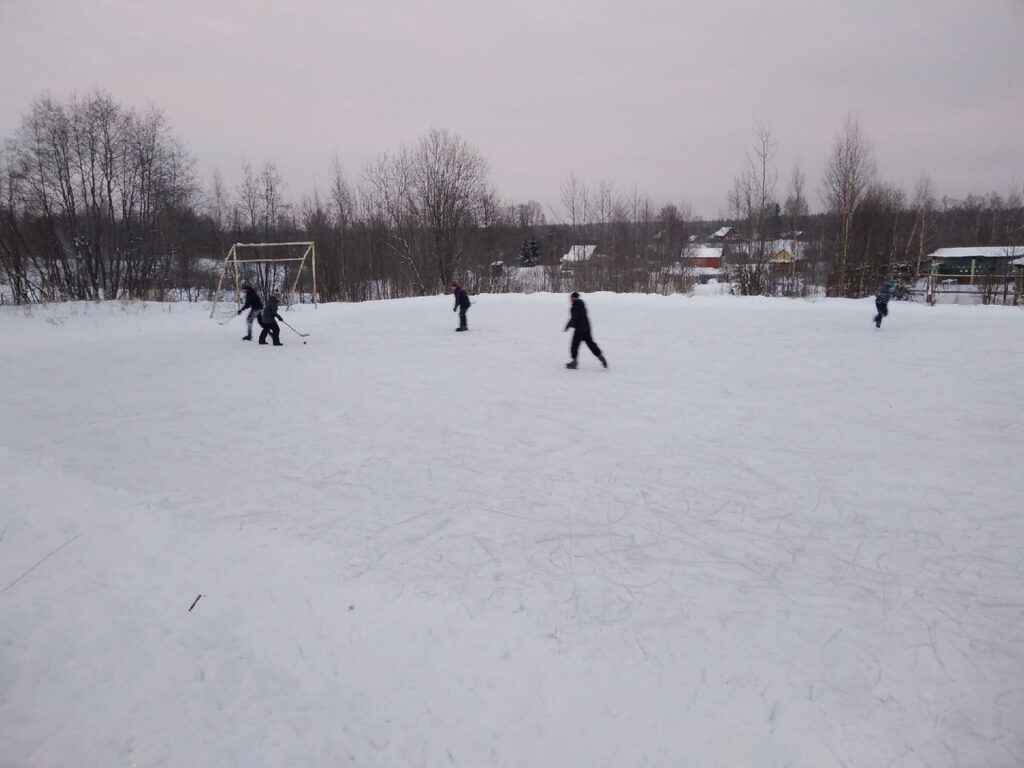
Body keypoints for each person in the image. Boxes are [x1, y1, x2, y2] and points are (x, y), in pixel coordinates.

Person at [564, 291, 607, 369]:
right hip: (587, 328)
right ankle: (600, 357)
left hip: (580, 330)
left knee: (574, 346)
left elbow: (574, 318)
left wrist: (569, 325)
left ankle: (574, 362)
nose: (570, 299)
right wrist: (569, 324)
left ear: (574, 299)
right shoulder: (581, 304)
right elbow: (576, 317)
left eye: (571, 298)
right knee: (591, 344)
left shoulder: (574, 307)